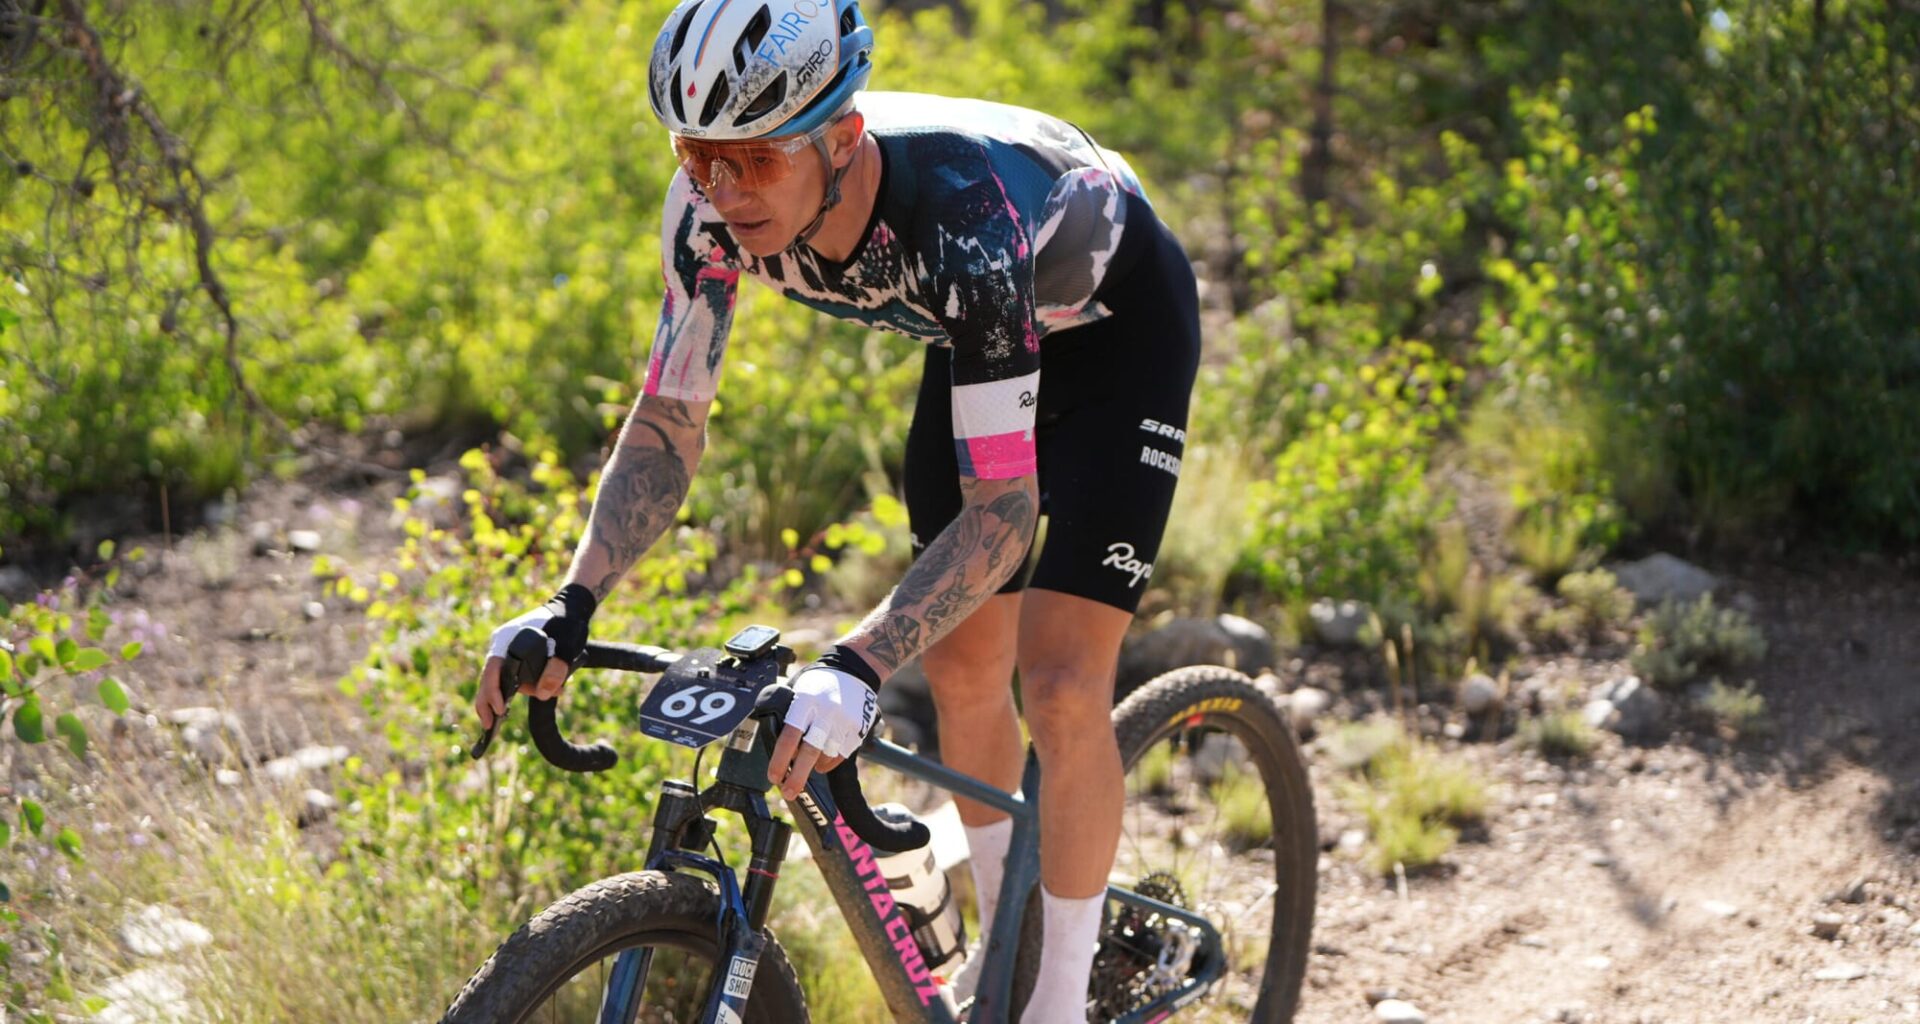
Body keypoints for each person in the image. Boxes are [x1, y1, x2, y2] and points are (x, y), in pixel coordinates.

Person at [472, 0, 1200, 1018]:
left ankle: (1060, 997)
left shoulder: (960, 210)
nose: (724, 190)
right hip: (978, 336)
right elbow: (669, 422)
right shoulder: (705, 209)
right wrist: (572, 599)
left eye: (756, 161)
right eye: (697, 156)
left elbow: (1002, 511)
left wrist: (855, 664)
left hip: (1115, 332)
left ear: (843, 138)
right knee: (959, 667)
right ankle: (1006, 943)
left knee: (1062, 682)